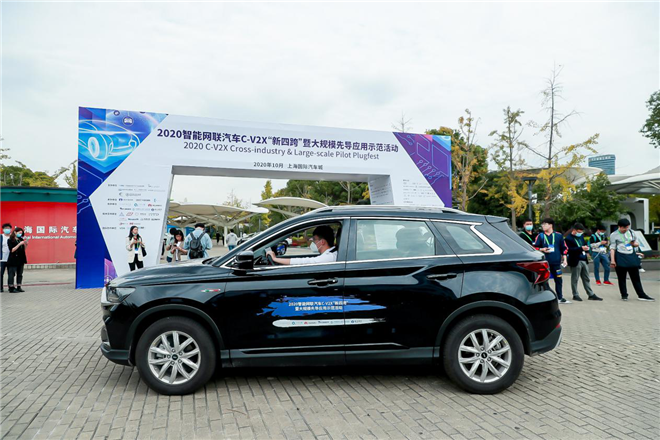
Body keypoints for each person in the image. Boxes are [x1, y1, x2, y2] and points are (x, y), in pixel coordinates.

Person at [609, 218, 654, 301]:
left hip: (631, 256)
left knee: (636, 277)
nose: (626, 229)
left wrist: (634, 246)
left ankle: (641, 295)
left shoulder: (631, 232)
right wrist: (613, 261)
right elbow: (612, 248)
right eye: (624, 228)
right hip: (620, 256)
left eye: (627, 227)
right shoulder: (614, 235)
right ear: (619, 226)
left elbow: (636, 244)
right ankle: (624, 295)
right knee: (621, 278)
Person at [534, 218, 570, 304]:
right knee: (544, 281)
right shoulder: (540, 236)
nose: (543, 226)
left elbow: (564, 248)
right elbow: (534, 248)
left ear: (550, 225)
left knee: (559, 279)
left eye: (545, 224)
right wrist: (542, 249)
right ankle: (547, 298)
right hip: (545, 264)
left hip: (556, 263)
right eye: (542, 224)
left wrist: (565, 259)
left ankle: (560, 297)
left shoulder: (558, 235)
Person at [565, 223, 602, 301]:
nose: (580, 233)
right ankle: (575, 294)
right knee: (575, 278)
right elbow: (569, 250)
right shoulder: (568, 238)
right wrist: (581, 248)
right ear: (574, 230)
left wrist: (586, 248)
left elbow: (584, 244)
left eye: (581, 232)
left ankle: (590, 294)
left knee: (586, 278)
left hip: (584, 259)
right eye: (579, 231)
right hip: (575, 260)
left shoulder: (581, 236)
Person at [266, 225, 337, 265]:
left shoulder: (329, 257)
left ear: (322, 242)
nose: (313, 242)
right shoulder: (332, 253)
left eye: (314, 239)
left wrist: (275, 259)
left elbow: (304, 261)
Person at [7, 227, 28, 293]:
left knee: (20, 274)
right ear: (15, 232)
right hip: (13, 259)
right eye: (19, 232)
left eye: (21, 233)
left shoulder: (20, 239)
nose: (20, 234)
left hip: (21, 259)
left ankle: (19, 286)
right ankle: (11, 287)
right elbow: (12, 250)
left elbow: (23, 250)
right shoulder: (10, 240)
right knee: (12, 274)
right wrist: (19, 244)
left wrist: (26, 244)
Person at [0, 222, 12, 292]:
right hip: (2, 259)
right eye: (5, 228)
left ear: (11, 229)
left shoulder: (12, 237)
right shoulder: (1, 237)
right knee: (1, 274)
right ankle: (0, 288)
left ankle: (10, 287)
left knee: (11, 274)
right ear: (3, 229)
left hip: (10, 259)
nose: (7, 229)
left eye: (8, 228)